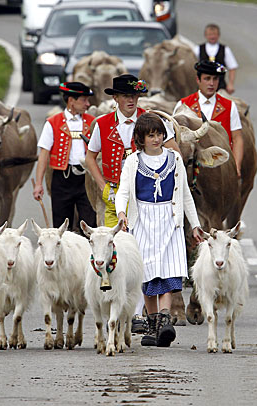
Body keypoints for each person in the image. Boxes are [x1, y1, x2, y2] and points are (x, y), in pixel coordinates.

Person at [85, 73, 180, 331]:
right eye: (126, 95)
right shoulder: (102, 124)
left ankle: (140, 315)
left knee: (144, 254)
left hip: (147, 198)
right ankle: (123, 309)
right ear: (115, 98)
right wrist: (105, 188)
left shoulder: (152, 120)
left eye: (135, 95)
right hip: (115, 195)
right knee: (114, 250)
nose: (131, 100)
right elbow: (90, 158)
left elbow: (175, 154)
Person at [115, 112, 204, 347]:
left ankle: (164, 320)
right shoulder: (133, 161)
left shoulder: (174, 159)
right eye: (151, 135)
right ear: (140, 139)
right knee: (146, 272)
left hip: (169, 219)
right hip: (142, 219)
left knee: (168, 269)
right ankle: (154, 325)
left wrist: (194, 224)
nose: (156, 139)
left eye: (159, 135)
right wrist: (121, 213)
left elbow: (185, 194)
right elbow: (123, 191)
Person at [33, 81, 97, 231]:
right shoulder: (52, 123)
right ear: (71, 101)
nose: (88, 104)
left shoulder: (92, 122)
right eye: (84, 100)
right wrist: (38, 184)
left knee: (89, 224)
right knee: (61, 225)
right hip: (62, 179)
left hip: (86, 178)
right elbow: (43, 154)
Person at [174, 59, 244, 177]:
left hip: (222, 166)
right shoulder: (183, 105)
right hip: (191, 168)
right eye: (207, 79)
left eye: (215, 79)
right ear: (198, 80)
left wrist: (236, 166)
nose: (211, 83)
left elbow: (237, 139)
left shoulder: (229, 106)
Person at [194, 23, 238, 94]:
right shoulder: (198, 49)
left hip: (220, 86)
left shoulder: (225, 49)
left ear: (218, 35)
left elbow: (232, 67)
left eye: (214, 34)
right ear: (206, 35)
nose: (212, 37)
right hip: (202, 87)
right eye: (210, 34)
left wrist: (231, 84)